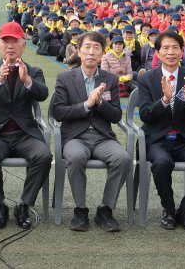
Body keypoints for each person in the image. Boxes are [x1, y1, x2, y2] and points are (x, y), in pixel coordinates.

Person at [0, 22, 52, 229]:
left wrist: (27, 81)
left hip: (24, 133)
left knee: (43, 155)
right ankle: (0, 205)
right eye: (5, 41)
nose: (10, 46)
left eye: (15, 41)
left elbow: (42, 94)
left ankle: (24, 205)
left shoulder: (33, 70)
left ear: (23, 45)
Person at [135, 31, 185, 231]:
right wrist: (164, 100)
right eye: (165, 48)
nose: (170, 52)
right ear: (158, 53)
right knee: (162, 162)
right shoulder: (147, 79)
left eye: (175, 48)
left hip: (184, 138)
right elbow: (145, 115)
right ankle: (169, 210)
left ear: (182, 51)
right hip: (156, 139)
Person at [50, 31, 129, 232]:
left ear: (102, 53)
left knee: (122, 158)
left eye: (96, 48)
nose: (91, 52)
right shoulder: (65, 78)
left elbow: (116, 116)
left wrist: (100, 102)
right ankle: (81, 209)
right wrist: (86, 104)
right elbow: (58, 112)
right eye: (87, 47)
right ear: (78, 51)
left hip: (102, 137)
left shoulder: (110, 79)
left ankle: (105, 210)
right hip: (75, 136)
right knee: (76, 157)